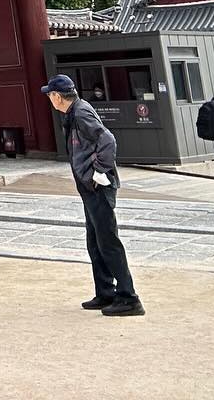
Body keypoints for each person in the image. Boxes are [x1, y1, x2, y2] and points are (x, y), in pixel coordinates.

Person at [42, 73, 145, 317]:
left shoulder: (80, 113)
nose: (50, 99)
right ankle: (106, 291)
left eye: (50, 95)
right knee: (95, 242)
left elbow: (107, 140)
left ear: (57, 96)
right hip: (89, 187)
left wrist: (98, 171)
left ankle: (129, 297)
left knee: (108, 242)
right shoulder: (75, 112)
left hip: (98, 185)